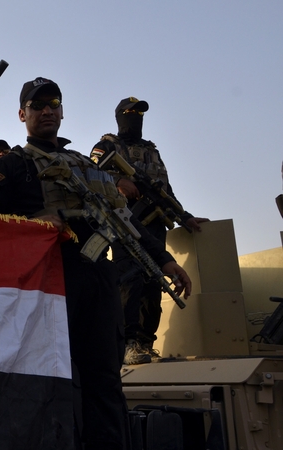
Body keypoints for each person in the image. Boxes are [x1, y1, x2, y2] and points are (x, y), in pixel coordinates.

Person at [0, 77, 192, 449]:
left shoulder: (83, 164)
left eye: (53, 104)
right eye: (37, 105)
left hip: (96, 278)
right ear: (21, 114)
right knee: (50, 377)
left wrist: (164, 259)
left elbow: (123, 216)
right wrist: (31, 225)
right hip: (49, 281)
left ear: (62, 112)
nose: (47, 111)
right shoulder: (14, 166)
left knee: (104, 378)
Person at [91, 97, 209, 365]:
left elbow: (165, 191)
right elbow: (90, 174)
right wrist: (118, 180)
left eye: (139, 113)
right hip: (125, 222)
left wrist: (185, 217)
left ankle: (144, 343)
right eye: (130, 113)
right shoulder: (107, 145)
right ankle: (126, 344)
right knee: (129, 280)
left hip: (154, 224)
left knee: (154, 283)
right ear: (120, 116)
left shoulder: (151, 151)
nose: (135, 117)